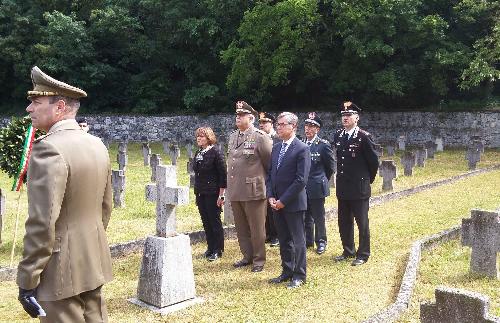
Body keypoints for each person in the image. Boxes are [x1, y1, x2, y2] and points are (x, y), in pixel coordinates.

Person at [17, 66, 113, 322]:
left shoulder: (48, 149)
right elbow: (106, 208)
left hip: (58, 270)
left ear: (59, 107)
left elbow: (42, 222)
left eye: (36, 102)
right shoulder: (97, 144)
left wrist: (28, 278)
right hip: (92, 259)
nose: (29, 109)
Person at [227, 101, 272, 273]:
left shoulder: (260, 137)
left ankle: (259, 259)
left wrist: (267, 185)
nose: (238, 118)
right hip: (236, 189)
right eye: (237, 115)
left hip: (254, 190)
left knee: (257, 228)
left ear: (251, 118)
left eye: (241, 115)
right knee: (241, 227)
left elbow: (269, 164)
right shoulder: (233, 136)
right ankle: (247, 256)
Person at [267, 112, 311, 289]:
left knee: (297, 240)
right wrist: (270, 195)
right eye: (277, 124)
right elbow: (270, 174)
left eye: (282, 124)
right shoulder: (276, 147)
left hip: (293, 203)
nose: (278, 126)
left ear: (293, 126)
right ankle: (287, 270)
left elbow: (301, 180)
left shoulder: (302, 148)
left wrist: (283, 200)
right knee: (284, 239)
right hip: (276, 202)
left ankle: (299, 274)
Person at [332, 101, 379, 266]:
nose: (345, 118)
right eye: (343, 115)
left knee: (362, 222)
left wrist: (367, 181)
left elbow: (373, 163)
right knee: (344, 221)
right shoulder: (338, 135)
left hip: (359, 187)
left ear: (356, 118)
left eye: (349, 115)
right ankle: (348, 250)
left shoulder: (364, 137)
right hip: (343, 187)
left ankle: (363, 253)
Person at [193, 126, 227, 261]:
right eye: (198, 136)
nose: (199, 138)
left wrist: (221, 194)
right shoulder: (199, 152)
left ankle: (218, 249)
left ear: (209, 138)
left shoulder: (216, 152)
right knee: (206, 221)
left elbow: (222, 175)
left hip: (213, 192)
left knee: (214, 221)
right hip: (201, 192)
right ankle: (210, 247)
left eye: (202, 136)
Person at [303, 112, 335, 255]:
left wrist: (321, 179)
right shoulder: (301, 143)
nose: (308, 129)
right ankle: (307, 241)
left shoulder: (323, 145)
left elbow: (330, 168)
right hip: (302, 188)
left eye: (311, 126)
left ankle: (321, 242)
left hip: (316, 186)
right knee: (305, 216)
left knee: (318, 217)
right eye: (306, 126)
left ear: (317, 129)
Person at [258, 112, 280, 247]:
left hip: (274, 177)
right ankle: (268, 233)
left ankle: (276, 235)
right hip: (261, 176)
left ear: (271, 124)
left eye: (264, 123)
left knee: (273, 208)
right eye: (260, 123)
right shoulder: (258, 138)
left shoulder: (277, 138)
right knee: (264, 208)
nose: (261, 125)